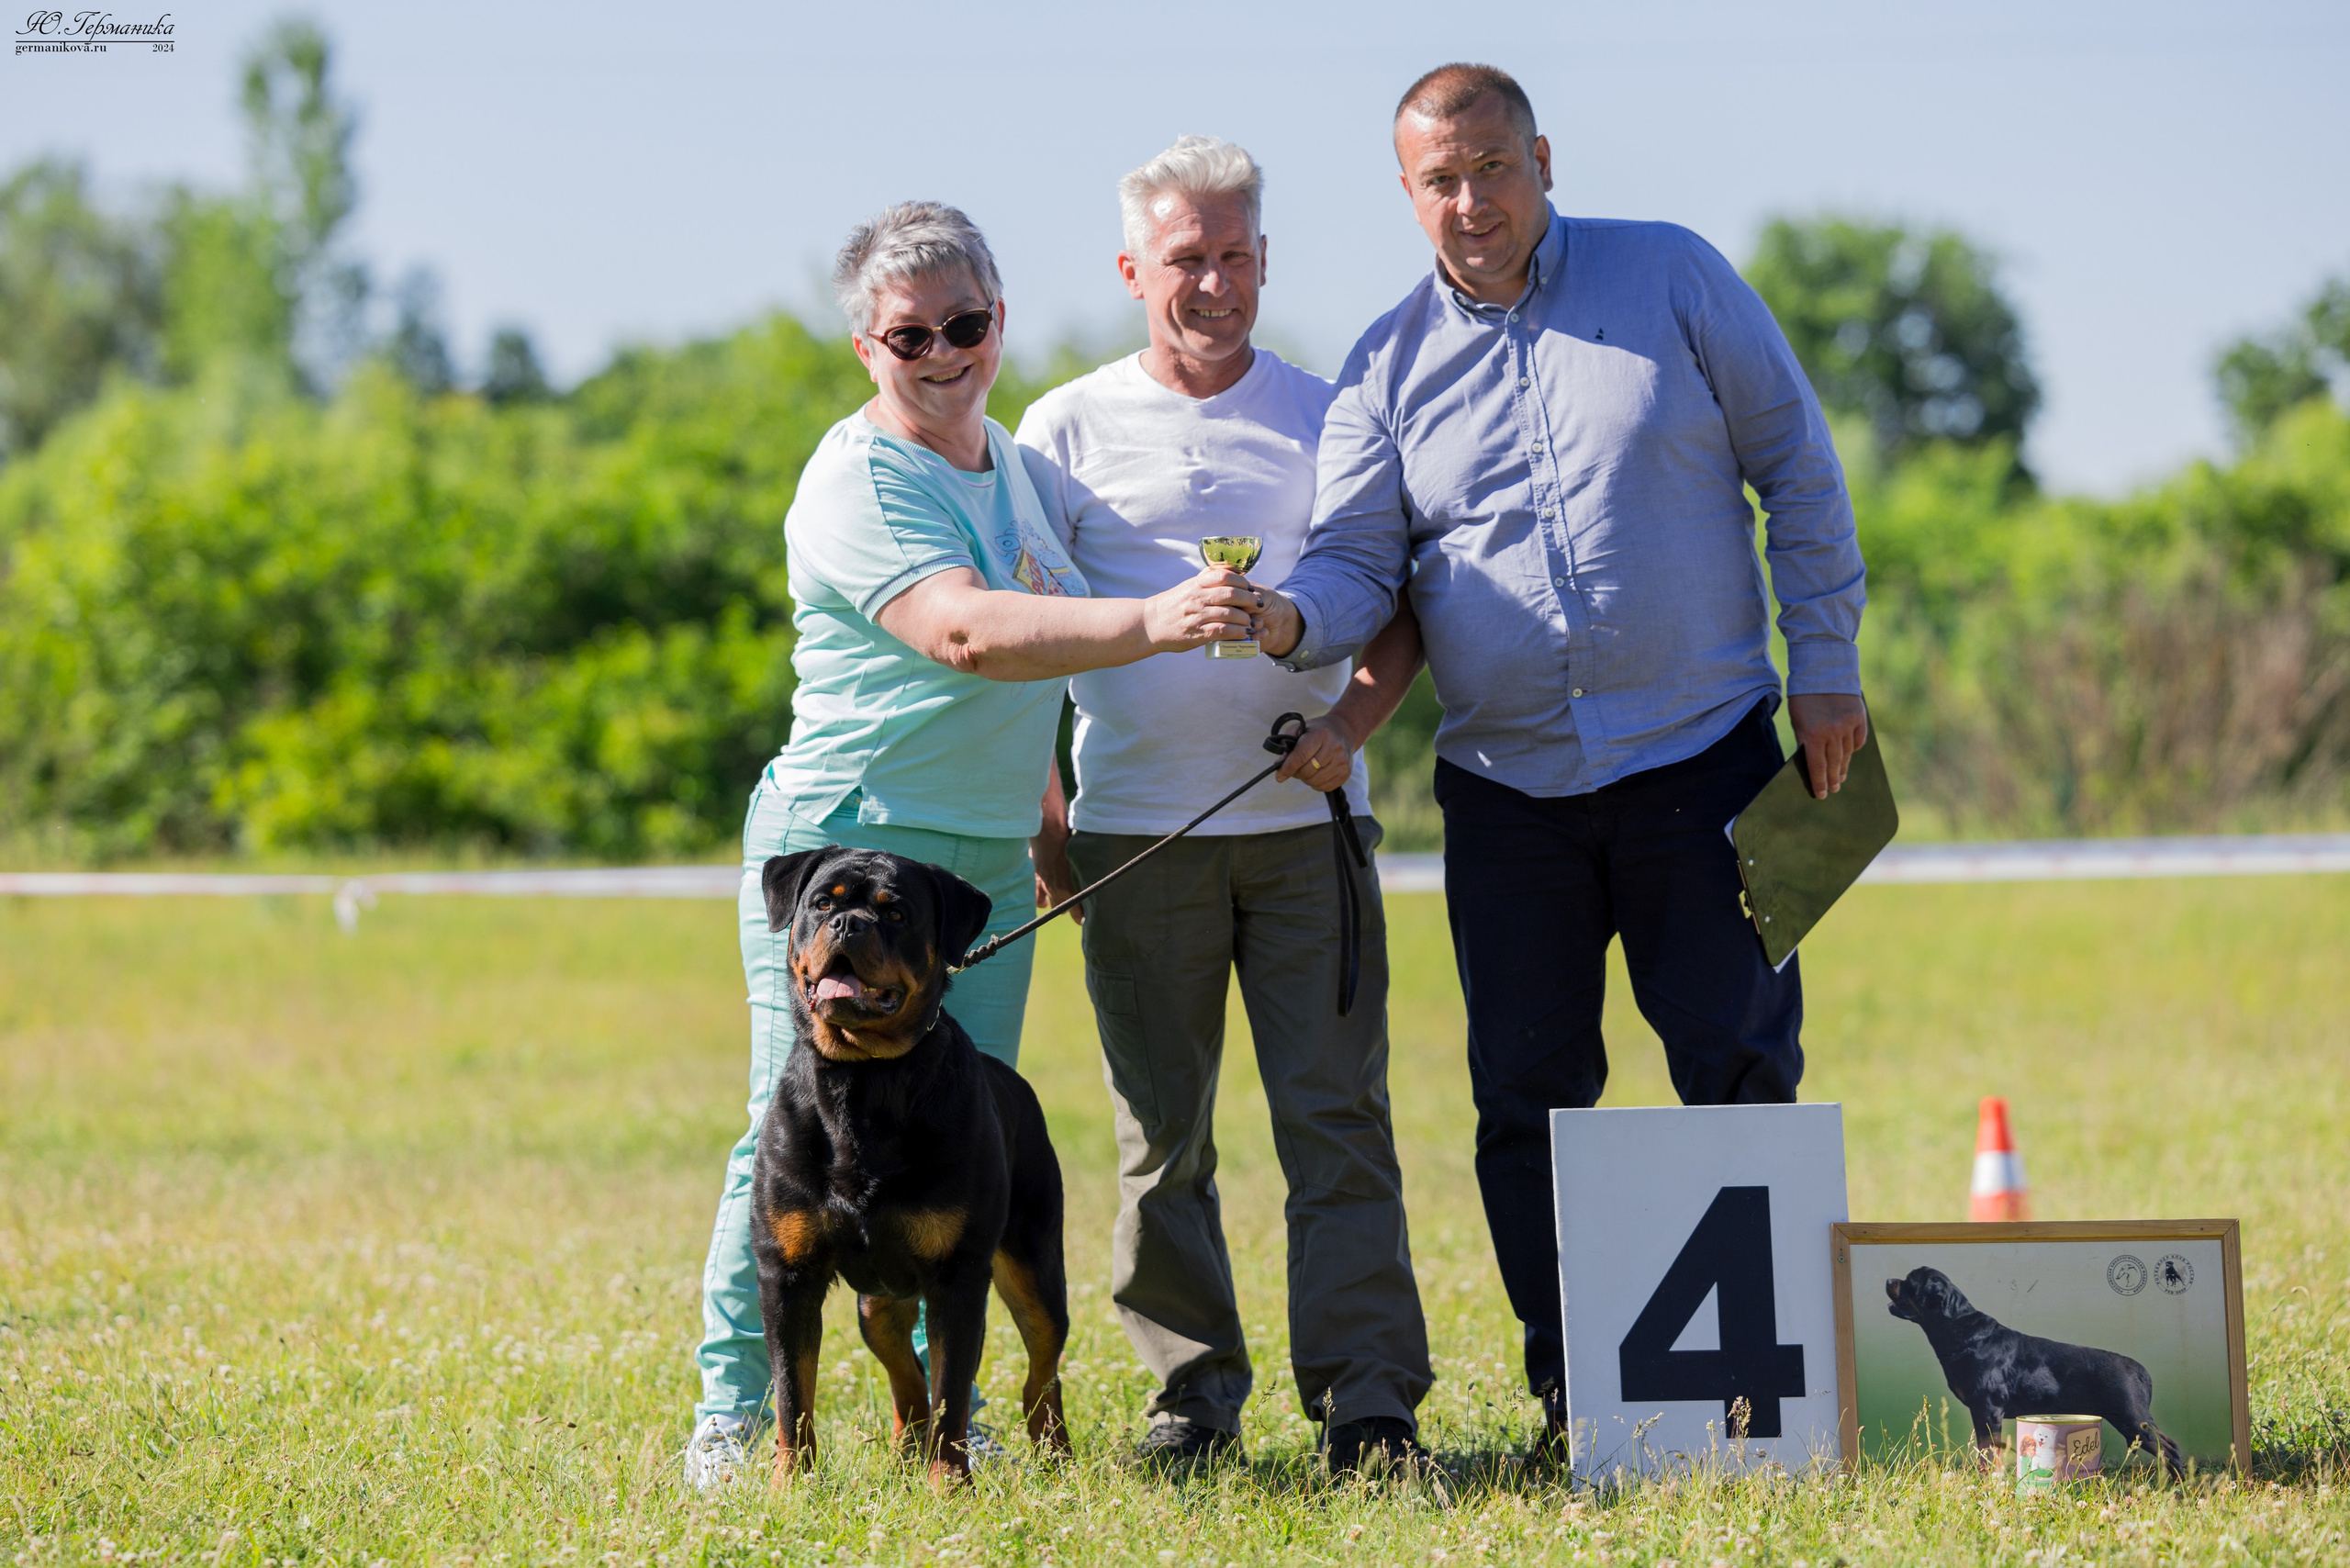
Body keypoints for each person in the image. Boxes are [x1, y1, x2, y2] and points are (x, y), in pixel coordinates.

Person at [1249, 64, 1871, 1459]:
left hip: (1706, 758)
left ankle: (1775, 1407)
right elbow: (1358, 562)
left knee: (1737, 1063)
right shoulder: (1385, 364)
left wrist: (1825, 662)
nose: (1470, 201)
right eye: (1438, 181)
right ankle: (1573, 1395)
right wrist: (1292, 620)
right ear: (1406, 193)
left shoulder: (1678, 279)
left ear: (1542, 157)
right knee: (1527, 1098)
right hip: (1506, 792)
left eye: (1492, 168)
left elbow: (1799, 467)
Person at [685, 201, 1259, 1487]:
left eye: (968, 322)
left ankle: (950, 1420)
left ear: (1000, 319)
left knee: (960, 1150)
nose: (942, 351)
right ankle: (736, 1419)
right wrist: (1163, 622)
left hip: (986, 868)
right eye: (909, 333)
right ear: (863, 346)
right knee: (785, 1142)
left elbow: (1026, 680)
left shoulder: (1015, 462)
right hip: (850, 847)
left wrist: (1048, 825)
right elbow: (965, 635)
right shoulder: (859, 477)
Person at [1014, 136, 1433, 1475]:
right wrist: (1047, 816)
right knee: (1161, 1142)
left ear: (1266, 261)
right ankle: (1190, 1401)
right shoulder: (1062, 428)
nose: (1213, 283)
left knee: (1339, 1130)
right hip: (1138, 837)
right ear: (1135, 268)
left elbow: (1404, 609)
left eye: (1235, 256)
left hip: (1308, 835)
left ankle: (1370, 1409)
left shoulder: (1333, 413)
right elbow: (1028, 632)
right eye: (1185, 259)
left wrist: (1350, 730)